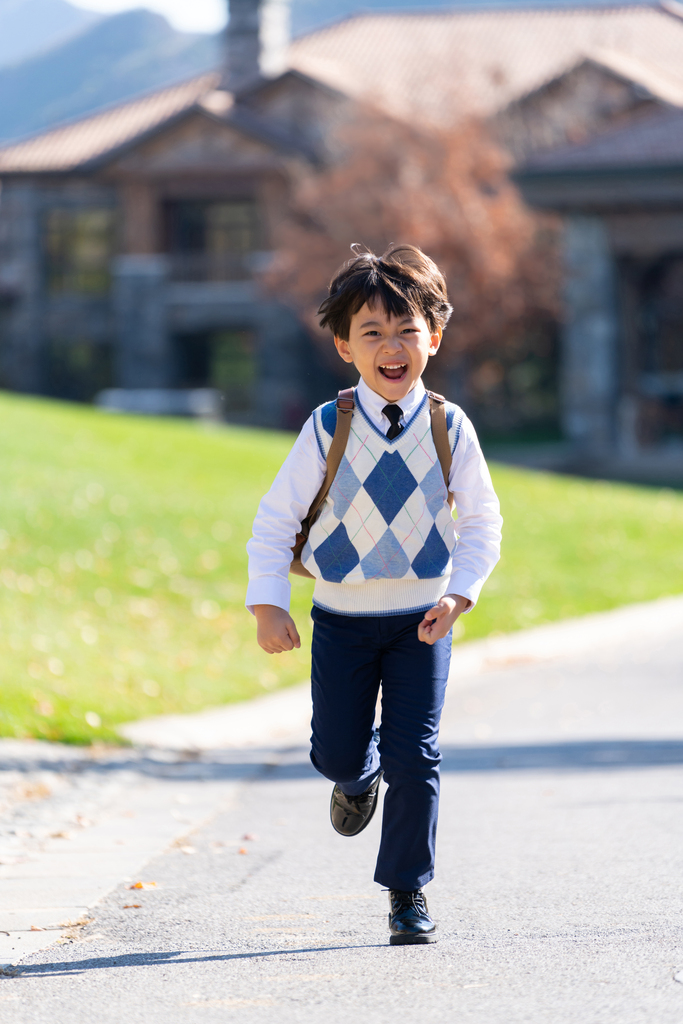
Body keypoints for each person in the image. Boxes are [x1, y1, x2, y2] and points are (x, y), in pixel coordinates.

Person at [246, 244, 502, 945]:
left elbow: (482, 522)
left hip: (423, 621)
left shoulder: (450, 427)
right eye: (372, 333)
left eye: (406, 331)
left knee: (414, 757)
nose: (392, 347)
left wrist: (459, 597)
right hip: (341, 620)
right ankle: (353, 778)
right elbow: (274, 520)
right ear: (343, 346)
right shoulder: (329, 427)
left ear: (434, 338)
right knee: (335, 751)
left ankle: (406, 895)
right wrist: (268, 602)